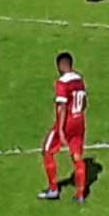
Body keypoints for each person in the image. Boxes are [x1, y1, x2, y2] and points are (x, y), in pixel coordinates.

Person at [37, 52, 88, 204]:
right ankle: (80, 194)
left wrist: (60, 129)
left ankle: (53, 189)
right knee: (77, 156)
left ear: (60, 65)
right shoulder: (79, 79)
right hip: (80, 120)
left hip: (67, 122)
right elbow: (84, 101)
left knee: (47, 150)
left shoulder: (62, 82)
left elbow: (63, 106)